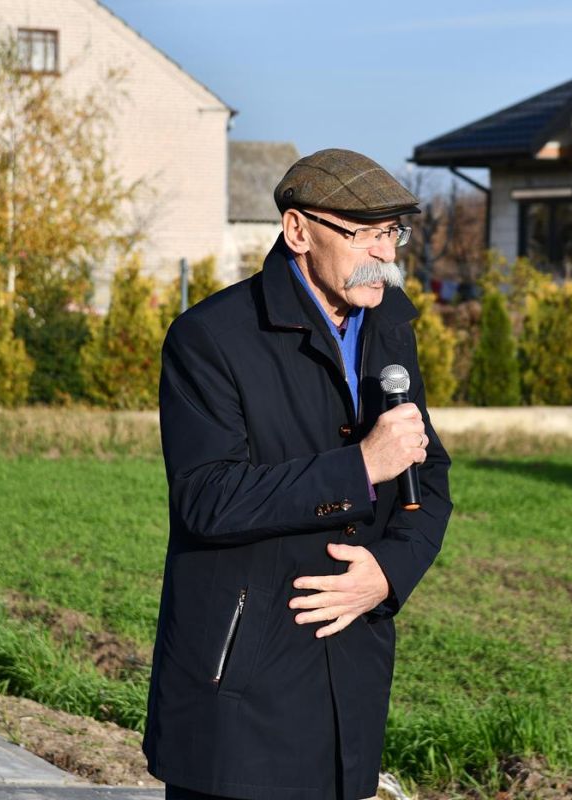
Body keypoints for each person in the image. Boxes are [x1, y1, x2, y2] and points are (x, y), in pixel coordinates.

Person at [143, 149, 453, 800]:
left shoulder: (389, 328)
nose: (386, 254)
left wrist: (388, 574)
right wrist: (360, 466)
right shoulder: (211, 338)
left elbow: (428, 477)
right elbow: (207, 498)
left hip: (350, 680)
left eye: (392, 233)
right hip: (239, 691)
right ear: (298, 231)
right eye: (365, 234)